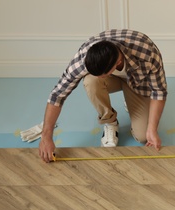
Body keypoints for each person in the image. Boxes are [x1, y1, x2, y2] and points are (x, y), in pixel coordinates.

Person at [39, 29, 168, 163]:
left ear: (117, 63)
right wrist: (46, 136)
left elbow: (159, 92)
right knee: (91, 81)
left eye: (102, 74)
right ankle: (110, 122)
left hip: (137, 84)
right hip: (111, 79)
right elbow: (57, 95)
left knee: (143, 136)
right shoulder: (85, 57)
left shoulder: (147, 53)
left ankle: (131, 101)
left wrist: (152, 129)